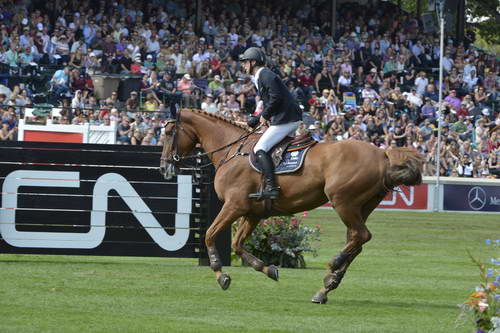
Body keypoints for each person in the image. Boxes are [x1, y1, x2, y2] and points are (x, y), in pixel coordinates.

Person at [240, 47, 302, 200]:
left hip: (286, 118)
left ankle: (272, 187)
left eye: (245, 62)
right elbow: (270, 101)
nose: (243, 65)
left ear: (253, 62)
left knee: (260, 147)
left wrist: (265, 116)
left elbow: (276, 98)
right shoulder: (261, 77)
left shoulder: (265, 74)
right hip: (285, 117)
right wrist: (258, 117)